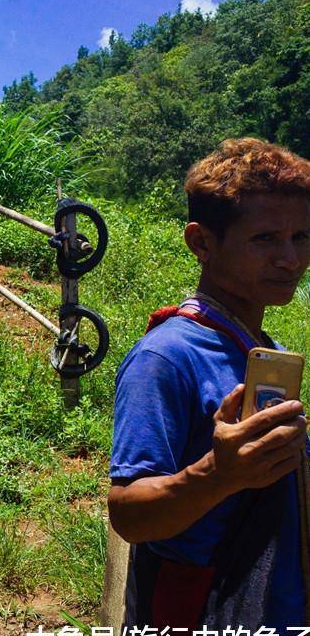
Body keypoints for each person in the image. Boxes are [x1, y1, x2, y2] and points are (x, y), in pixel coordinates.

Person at [108, 138, 310, 629]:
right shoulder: (166, 357)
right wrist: (217, 475)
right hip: (202, 610)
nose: (290, 258)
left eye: (302, 237)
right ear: (201, 242)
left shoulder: (264, 351)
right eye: (265, 239)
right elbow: (128, 513)